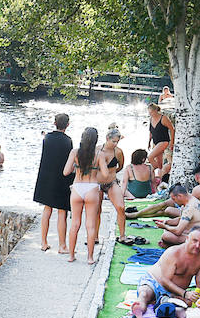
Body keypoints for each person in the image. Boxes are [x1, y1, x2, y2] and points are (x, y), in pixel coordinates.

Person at [130, 226, 200, 318]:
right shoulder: (173, 252)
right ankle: (138, 312)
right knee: (145, 294)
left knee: (188, 304)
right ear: (187, 238)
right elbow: (164, 280)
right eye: (195, 241)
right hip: (154, 282)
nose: (198, 245)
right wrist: (185, 293)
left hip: (174, 292)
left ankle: (165, 301)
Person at [62, 126, 104, 264]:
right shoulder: (99, 154)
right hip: (92, 187)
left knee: (74, 224)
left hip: (77, 188)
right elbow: (105, 174)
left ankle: (71, 255)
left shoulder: (75, 152)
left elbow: (65, 172)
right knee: (90, 225)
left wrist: (76, 166)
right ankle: (90, 258)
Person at [33, 113, 74, 253]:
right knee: (62, 212)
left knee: (47, 210)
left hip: (47, 178)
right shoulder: (68, 141)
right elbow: (69, 162)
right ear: (67, 125)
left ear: (54, 123)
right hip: (62, 179)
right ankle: (62, 246)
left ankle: (44, 242)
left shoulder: (47, 138)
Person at [97, 126, 133, 244]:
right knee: (97, 210)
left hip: (111, 182)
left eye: (117, 141)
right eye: (113, 141)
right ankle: (95, 236)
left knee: (121, 207)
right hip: (97, 183)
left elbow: (121, 167)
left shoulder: (118, 152)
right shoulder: (97, 150)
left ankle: (122, 236)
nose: (115, 143)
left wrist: (111, 174)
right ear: (107, 138)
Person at [147, 102, 172, 178]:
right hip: (155, 142)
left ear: (155, 111)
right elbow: (151, 132)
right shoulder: (151, 119)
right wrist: (149, 142)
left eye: (151, 112)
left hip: (164, 141)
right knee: (159, 163)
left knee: (150, 157)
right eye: (149, 112)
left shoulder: (163, 118)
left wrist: (172, 142)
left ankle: (151, 170)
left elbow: (172, 129)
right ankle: (161, 178)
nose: (150, 114)